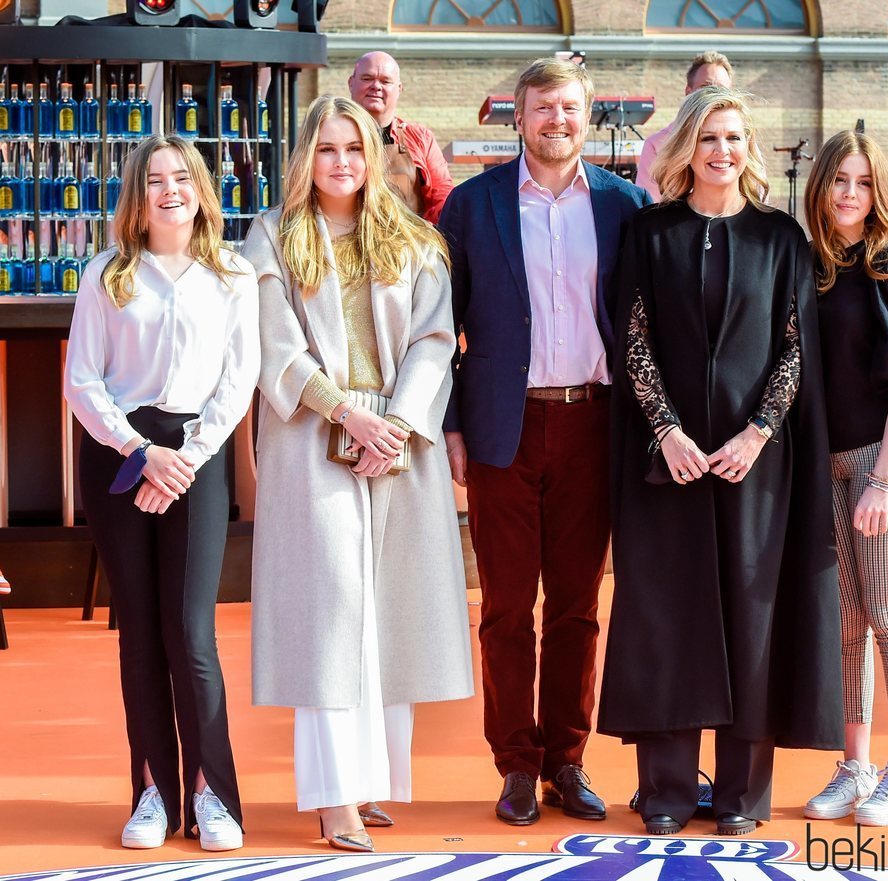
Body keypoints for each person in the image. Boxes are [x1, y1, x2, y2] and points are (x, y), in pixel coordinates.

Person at [597, 86, 844, 837]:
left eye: (734, 137)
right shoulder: (650, 233)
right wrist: (666, 430)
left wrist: (759, 431)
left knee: (751, 619)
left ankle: (741, 793)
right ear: (686, 148)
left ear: (749, 148)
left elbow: (797, 347)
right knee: (666, 617)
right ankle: (667, 788)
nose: (722, 151)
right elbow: (631, 337)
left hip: (753, 469)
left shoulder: (781, 240)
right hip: (664, 465)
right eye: (709, 137)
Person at [243, 95, 473, 853]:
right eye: (327, 148)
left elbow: (437, 340)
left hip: (400, 440)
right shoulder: (273, 237)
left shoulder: (412, 239)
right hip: (314, 434)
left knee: (391, 611)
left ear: (371, 158)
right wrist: (348, 413)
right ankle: (333, 796)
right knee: (332, 613)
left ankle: (372, 782)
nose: (340, 162)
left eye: (353, 148)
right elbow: (273, 345)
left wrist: (398, 423)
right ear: (305, 157)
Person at [439, 58, 650, 826]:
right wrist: (452, 425)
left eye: (568, 109)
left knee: (575, 605)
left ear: (586, 117)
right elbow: (441, 329)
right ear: (517, 117)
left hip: (594, 423)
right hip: (505, 425)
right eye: (541, 109)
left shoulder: (627, 205)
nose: (555, 121)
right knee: (503, 606)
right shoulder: (471, 206)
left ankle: (567, 757)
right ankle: (516, 764)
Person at [64, 135, 259, 851]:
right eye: (154, 179)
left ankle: (212, 792)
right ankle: (152, 791)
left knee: (191, 629)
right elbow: (82, 381)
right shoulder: (107, 273)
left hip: (195, 455)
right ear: (136, 196)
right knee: (140, 630)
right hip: (119, 454)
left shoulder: (233, 273)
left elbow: (238, 382)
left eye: (182, 176)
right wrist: (141, 453)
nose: (170, 188)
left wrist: (182, 460)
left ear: (202, 188)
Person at [802, 131, 888, 827]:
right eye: (838, 181)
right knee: (846, 620)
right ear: (820, 188)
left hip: (883, 457)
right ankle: (855, 764)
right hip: (828, 461)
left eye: (860, 182)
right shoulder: (816, 269)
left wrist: (881, 479)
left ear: (876, 191)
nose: (849, 193)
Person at [348, 51, 454, 223]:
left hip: (408, 245)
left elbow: (442, 194)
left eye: (385, 81)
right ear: (351, 83)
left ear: (399, 89)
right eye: (367, 78)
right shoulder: (330, 135)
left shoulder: (420, 139)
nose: (376, 86)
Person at [635, 50, 734, 201]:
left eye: (721, 89)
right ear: (689, 92)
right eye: (706, 86)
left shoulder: (742, 142)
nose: (713, 95)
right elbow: (648, 204)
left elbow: (757, 198)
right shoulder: (657, 145)